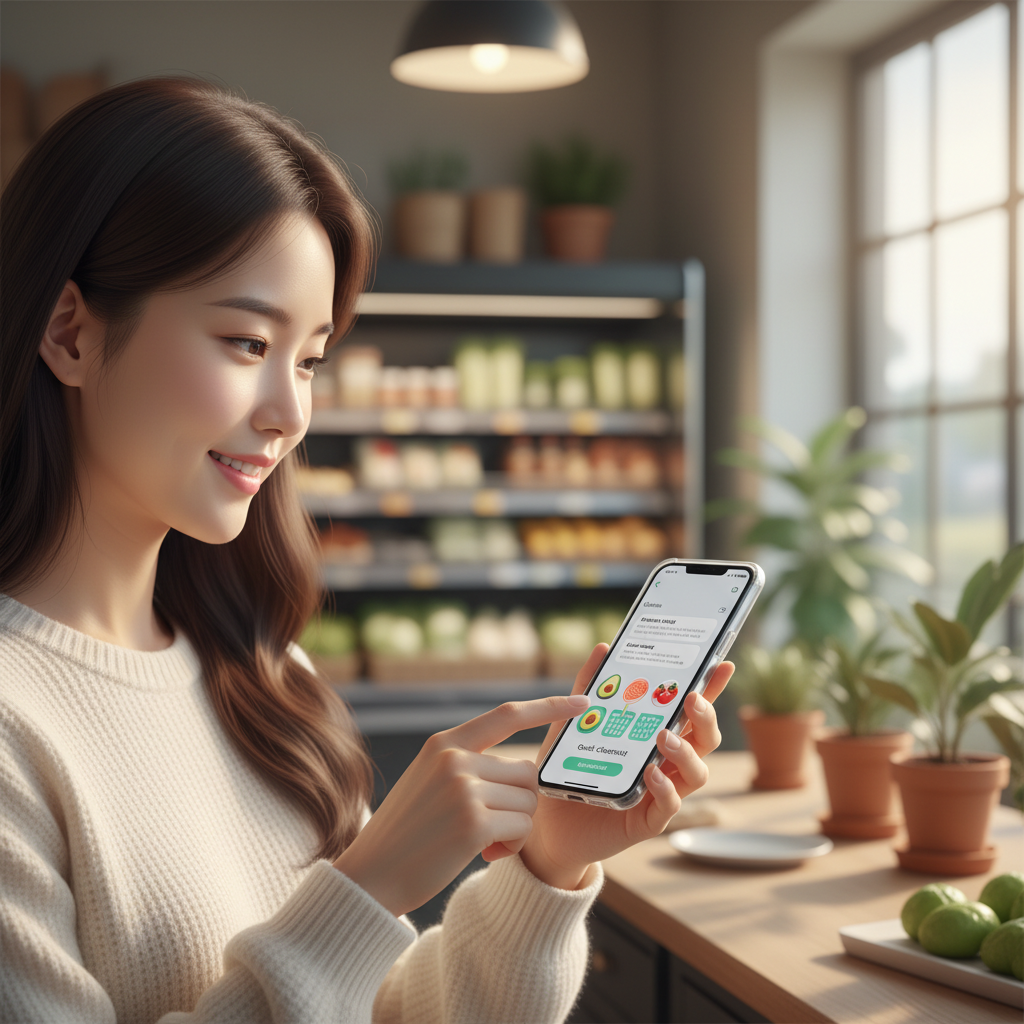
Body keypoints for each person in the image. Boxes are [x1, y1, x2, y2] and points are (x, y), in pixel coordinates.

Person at [0, 77, 733, 1024]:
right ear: (70, 331)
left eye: (308, 358)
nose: (290, 413)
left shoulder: (256, 666)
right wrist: (368, 884)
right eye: (244, 341)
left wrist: (552, 863)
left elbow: (377, 1012)